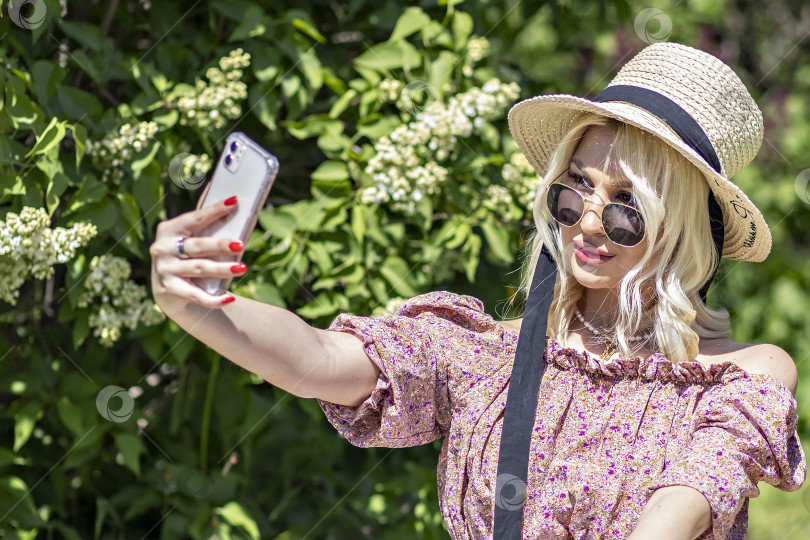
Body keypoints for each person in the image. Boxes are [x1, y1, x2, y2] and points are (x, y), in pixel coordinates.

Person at [149, 42, 806, 539]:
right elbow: (318, 362)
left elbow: (682, 501)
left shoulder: (736, 380)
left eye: (626, 206)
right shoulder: (486, 356)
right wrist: (196, 304)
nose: (586, 220)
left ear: (683, 229)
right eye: (575, 187)